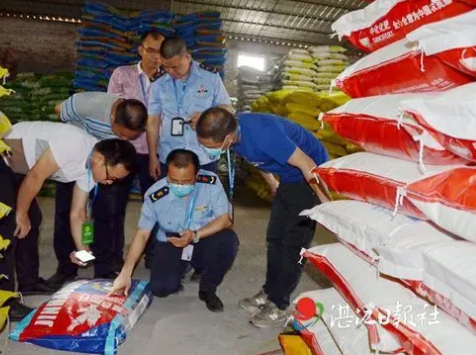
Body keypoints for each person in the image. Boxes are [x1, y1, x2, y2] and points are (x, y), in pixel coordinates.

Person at [0, 121, 137, 320]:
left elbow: (79, 214)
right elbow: (36, 177)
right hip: (0, 158)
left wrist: (84, 251)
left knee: (33, 219)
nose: (109, 183)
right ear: (99, 158)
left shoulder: (90, 171)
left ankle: (28, 282)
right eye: (110, 177)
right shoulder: (74, 144)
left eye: (114, 180)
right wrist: (20, 213)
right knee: (9, 223)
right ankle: (5, 302)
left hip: (21, 169)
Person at [196, 108, 331, 327]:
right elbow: (256, 159)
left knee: (294, 246)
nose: (206, 149)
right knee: (275, 238)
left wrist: (327, 205)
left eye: (209, 145)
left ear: (228, 138)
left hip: (309, 178)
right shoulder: (234, 134)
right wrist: (271, 182)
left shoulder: (264, 135)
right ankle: (269, 291)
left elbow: (308, 165)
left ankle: (278, 303)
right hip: (288, 179)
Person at [109, 149, 239, 312]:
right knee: (161, 288)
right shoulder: (155, 194)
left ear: (197, 175)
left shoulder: (210, 183)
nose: (179, 186)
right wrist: (125, 273)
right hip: (172, 240)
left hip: (202, 236)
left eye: (185, 182)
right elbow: (142, 234)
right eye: (173, 180)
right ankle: (181, 266)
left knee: (228, 241)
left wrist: (195, 235)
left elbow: (225, 220)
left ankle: (208, 288)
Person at [49, 95, 147, 289]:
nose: (124, 139)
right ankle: (66, 268)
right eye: (122, 134)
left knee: (109, 214)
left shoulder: (123, 136)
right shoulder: (89, 103)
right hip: (78, 162)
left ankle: (105, 268)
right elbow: (59, 109)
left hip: (110, 168)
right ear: (112, 118)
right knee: (67, 212)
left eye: (130, 137)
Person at [107, 30, 166, 269]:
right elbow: (111, 111)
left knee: (155, 205)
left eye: (160, 52)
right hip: (123, 150)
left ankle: (152, 254)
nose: (155, 57)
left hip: (154, 153)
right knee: (114, 204)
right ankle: (113, 256)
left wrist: (156, 155)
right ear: (141, 50)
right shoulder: (123, 74)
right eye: (151, 50)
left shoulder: (167, 81)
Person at [146, 36, 233, 180]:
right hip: (169, 156)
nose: (171, 72)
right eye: (165, 67)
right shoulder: (158, 83)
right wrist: (152, 157)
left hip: (204, 157)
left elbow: (227, 108)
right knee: (170, 201)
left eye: (175, 67)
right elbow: (152, 122)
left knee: (203, 201)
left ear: (187, 57)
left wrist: (207, 117)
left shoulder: (210, 77)